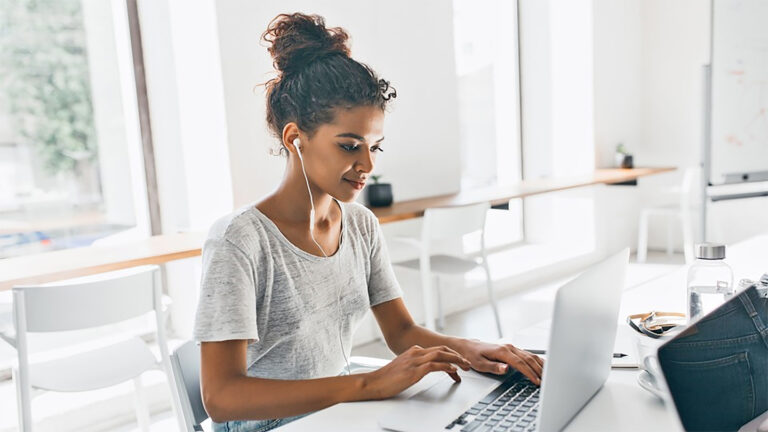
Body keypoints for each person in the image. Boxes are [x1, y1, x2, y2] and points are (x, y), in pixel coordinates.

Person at [193, 12, 543, 432]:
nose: (367, 164)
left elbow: (400, 330)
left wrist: (476, 349)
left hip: (338, 413)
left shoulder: (359, 225)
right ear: (294, 138)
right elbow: (222, 398)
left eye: (375, 146)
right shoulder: (239, 241)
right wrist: (370, 383)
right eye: (349, 145)